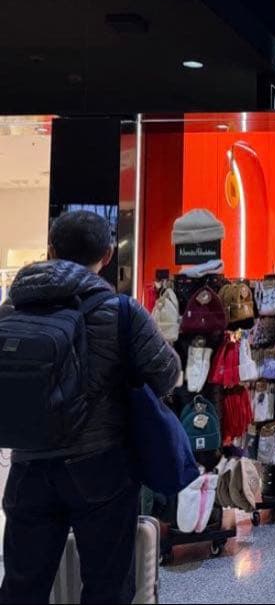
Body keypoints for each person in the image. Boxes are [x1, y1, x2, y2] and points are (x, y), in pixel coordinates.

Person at [0, 210, 181, 604]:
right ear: (107, 253)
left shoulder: (11, 311)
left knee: (21, 587)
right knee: (106, 586)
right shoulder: (122, 311)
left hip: (28, 468)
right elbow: (167, 374)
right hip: (102, 467)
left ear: (51, 249)